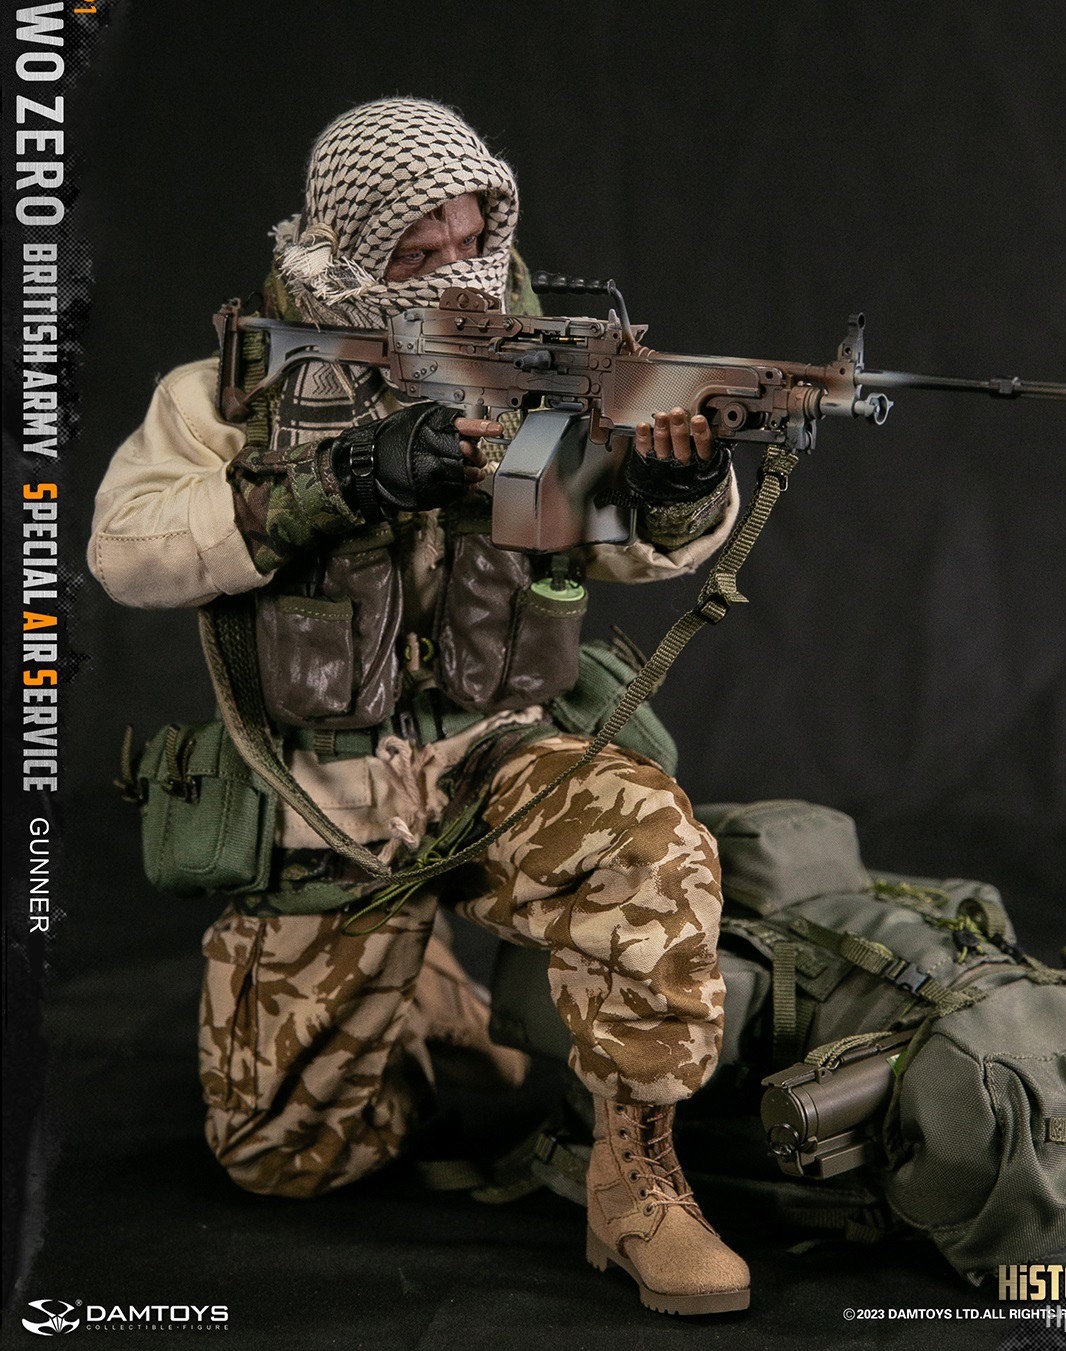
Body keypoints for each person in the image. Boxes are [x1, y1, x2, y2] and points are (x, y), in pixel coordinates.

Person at [88, 98, 751, 1316]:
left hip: (501, 759)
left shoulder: (544, 374)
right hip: (321, 797)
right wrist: (337, 479)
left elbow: (638, 553)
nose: (461, 268)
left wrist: (684, 483)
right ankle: (420, 986)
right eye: (418, 249)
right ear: (346, 245)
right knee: (284, 1162)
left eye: (473, 237)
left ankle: (635, 1180)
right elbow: (126, 552)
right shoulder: (233, 392)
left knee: (649, 840)